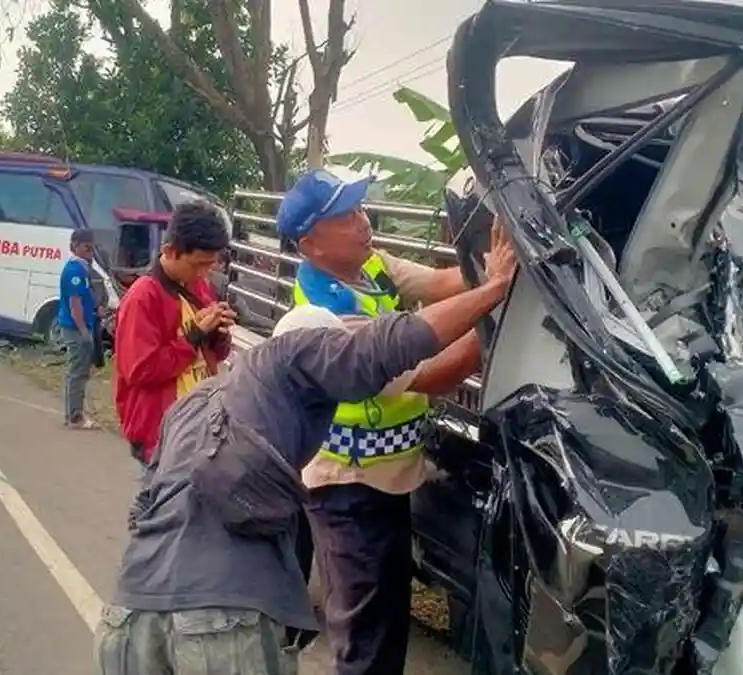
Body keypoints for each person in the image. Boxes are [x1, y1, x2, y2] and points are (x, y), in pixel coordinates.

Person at [94, 256, 515, 675]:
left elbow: (143, 507)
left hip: (129, 612)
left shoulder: (193, 405)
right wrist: (495, 290)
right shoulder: (296, 354)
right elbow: (387, 347)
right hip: (219, 618)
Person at [274, 169, 513, 675]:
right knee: (366, 638)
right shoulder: (328, 320)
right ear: (310, 243)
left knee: (385, 621)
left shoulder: (370, 266)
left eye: (361, 209)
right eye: (346, 217)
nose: (364, 222)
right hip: (349, 491)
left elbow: (443, 283)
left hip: (386, 481)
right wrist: (498, 311)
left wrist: (494, 268)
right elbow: (436, 373)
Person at [114, 200, 237, 468]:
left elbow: (215, 355)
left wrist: (218, 333)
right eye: (198, 264)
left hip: (198, 425)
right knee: (160, 506)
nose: (204, 273)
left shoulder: (199, 287)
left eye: (210, 265)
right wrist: (193, 335)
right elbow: (141, 370)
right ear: (170, 251)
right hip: (161, 433)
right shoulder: (143, 298)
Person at [60, 228, 101, 430]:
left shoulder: (83, 269)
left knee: (80, 372)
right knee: (77, 373)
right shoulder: (74, 271)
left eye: (92, 246)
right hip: (76, 329)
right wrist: (84, 331)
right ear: (76, 246)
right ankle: (75, 417)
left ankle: (74, 413)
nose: (90, 250)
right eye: (86, 246)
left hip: (82, 325)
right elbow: (74, 304)